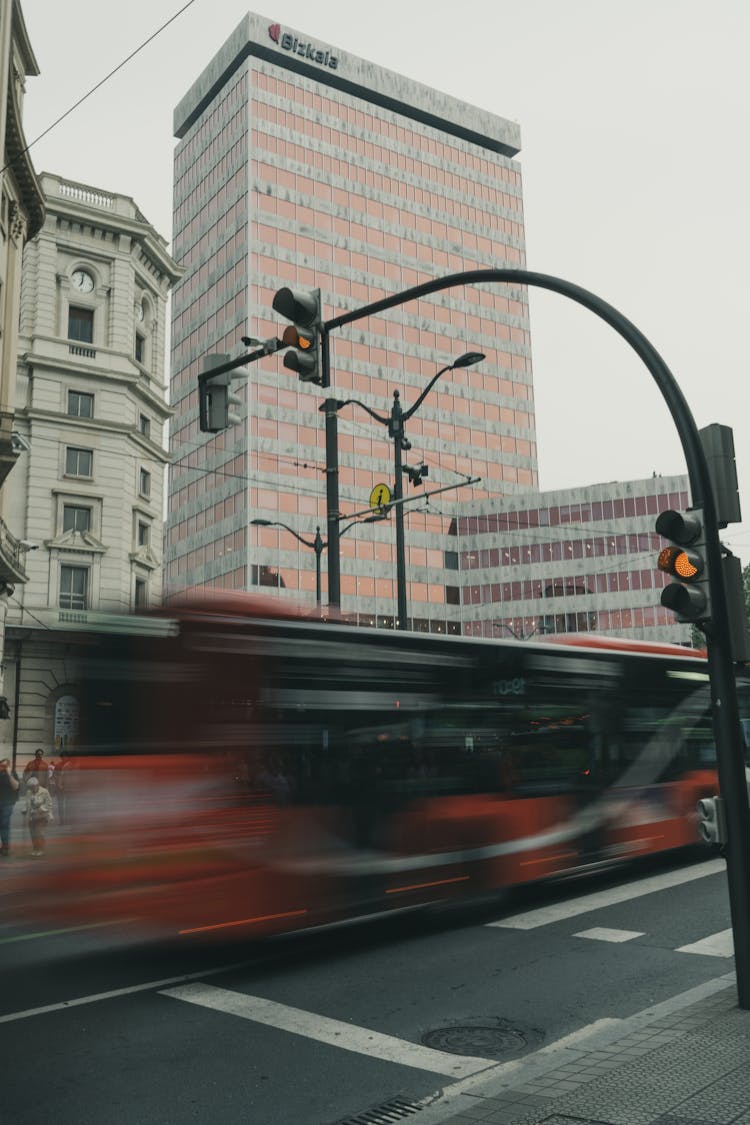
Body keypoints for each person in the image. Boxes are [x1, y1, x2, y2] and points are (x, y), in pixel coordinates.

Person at [24, 776, 53, 857]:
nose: (31, 789)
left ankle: (41, 849)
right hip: (32, 816)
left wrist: (41, 809)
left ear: (37, 785)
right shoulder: (29, 792)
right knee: (33, 834)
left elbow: (49, 804)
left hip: (42, 816)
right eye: (30, 787)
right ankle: (35, 849)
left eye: (33, 787)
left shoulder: (45, 792)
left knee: (39, 833)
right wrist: (25, 809)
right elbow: (27, 803)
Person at [0, 758, 20, 855]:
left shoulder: (12, 773)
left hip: (7, 803)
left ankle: (5, 846)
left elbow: (16, 786)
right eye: (1, 766)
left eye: (5, 766)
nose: (2, 768)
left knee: (4, 824)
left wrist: (9, 774)